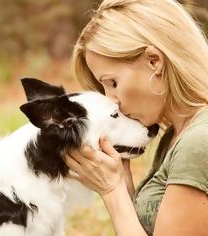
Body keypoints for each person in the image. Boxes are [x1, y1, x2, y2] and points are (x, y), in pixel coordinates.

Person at [64, 0, 208, 235]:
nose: (112, 100)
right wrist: (122, 179)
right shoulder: (177, 135)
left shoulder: (199, 141)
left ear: (154, 61)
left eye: (112, 83)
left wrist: (112, 190)